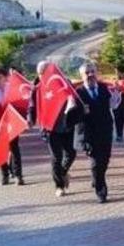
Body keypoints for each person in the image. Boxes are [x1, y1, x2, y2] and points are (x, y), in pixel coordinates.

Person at [29, 61, 78, 197]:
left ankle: (62, 173)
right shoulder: (37, 88)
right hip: (50, 127)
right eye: (40, 73)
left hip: (66, 125)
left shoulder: (63, 82)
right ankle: (59, 186)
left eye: (44, 72)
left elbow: (74, 97)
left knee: (71, 153)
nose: (41, 75)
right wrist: (31, 118)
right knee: (56, 157)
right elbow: (32, 106)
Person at [75, 62, 121, 203]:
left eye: (92, 71)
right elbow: (72, 116)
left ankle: (97, 179)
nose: (90, 75)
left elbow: (113, 105)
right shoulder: (78, 93)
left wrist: (117, 94)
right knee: (96, 162)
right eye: (87, 73)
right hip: (89, 133)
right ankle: (101, 190)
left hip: (105, 130)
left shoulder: (104, 88)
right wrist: (81, 111)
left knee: (105, 160)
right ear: (82, 76)